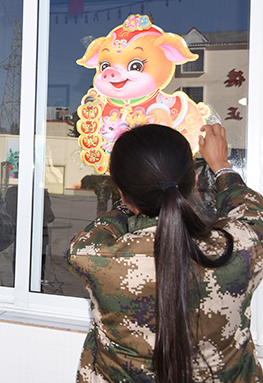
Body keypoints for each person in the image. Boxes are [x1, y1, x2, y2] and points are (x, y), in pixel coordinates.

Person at [67, 123, 263, 382]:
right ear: (194, 182)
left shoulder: (92, 256)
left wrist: (129, 203)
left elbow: (96, 232)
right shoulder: (241, 247)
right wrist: (221, 166)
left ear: (123, 195)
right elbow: (252, 214)